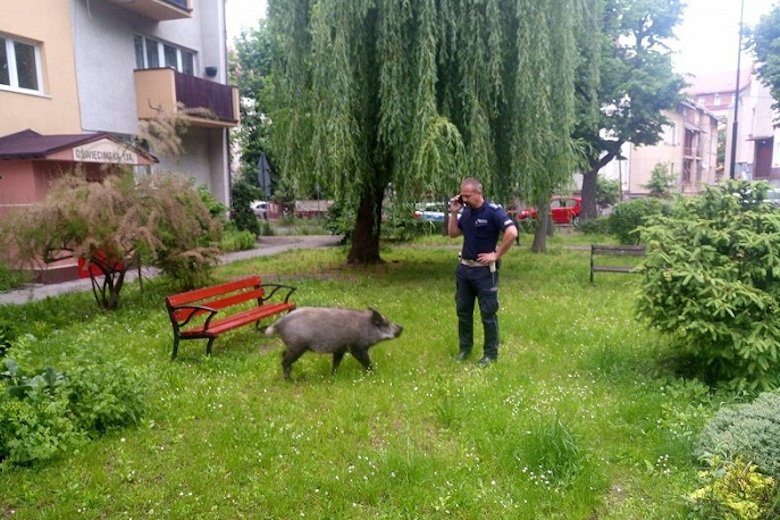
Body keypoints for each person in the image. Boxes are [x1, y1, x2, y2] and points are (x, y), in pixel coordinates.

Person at [448, 177, 518, 366]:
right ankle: (465, 349)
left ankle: (490, 355)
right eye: (462, 195)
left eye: (467, 195)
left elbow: (512, 233)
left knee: (488, 313)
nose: (463, 199)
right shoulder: (467, 213)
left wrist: (496, 254)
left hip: (485, 272)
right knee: (463, 312)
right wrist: (454, 213)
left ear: (479, 193)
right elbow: (453, 233)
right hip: (464, 269)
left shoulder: (493, 212)